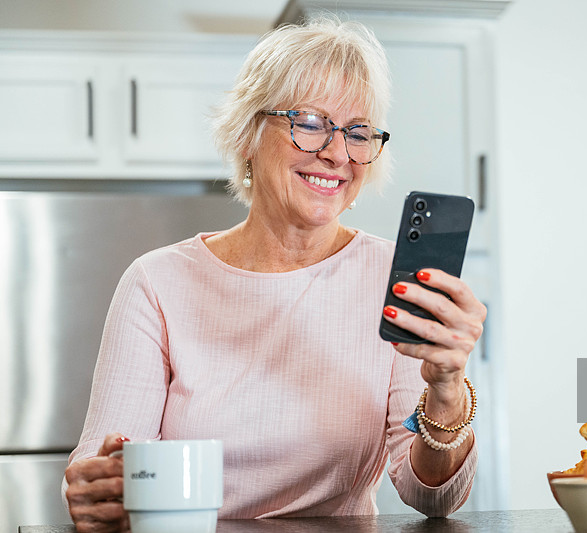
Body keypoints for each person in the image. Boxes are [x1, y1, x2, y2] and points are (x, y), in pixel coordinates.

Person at [63, 15, 486, 532]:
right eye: (308, 122)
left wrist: (447, 386)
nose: (336, 153)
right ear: (247, 135)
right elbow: (101, 464)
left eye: (357, 132)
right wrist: (97, 489)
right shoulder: (157, 283)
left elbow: (431, 498)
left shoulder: (391, 280)